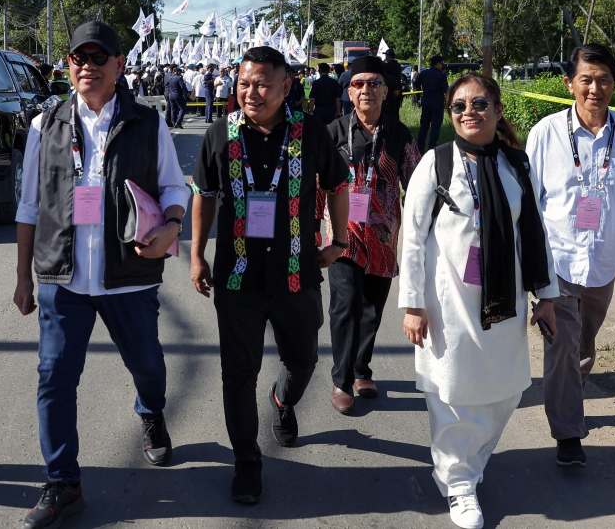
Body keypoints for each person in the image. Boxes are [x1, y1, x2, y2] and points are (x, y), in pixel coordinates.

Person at [13, 21, 190, 529]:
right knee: (54, 379)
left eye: (99, 57)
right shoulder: (43, 125)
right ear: (68, 65)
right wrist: (23, 277)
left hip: (129, 277)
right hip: (62, 279)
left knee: (150, 366)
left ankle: (150, 412)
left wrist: (173, 223)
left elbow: (176, 189)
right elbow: (29, 206)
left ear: (119, 65)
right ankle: (63, 482)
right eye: (78, 58)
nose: (87, 66)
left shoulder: (146, 121)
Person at [189, 46, 350, 505]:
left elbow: (338, 184)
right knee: (237, 375)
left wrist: (338, 240)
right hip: (236, 279)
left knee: (302, 361)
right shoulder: (220, 133)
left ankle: (283, 399)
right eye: (244, 83)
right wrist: (197, 255)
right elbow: (205, 194)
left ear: (285, 87)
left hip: (297, 274)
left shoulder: (311, 132)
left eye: (262, 83)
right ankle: (247, 463)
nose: (251, 92)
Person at [398, 72, 559, 529]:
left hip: (503, 299)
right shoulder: (437, 161)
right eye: (460, 107)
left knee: (505, 388)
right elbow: (412, 237)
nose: (470, 112)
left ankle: (469, 463)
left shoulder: (516, 163)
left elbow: (533, 230)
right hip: (447, 300)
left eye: (480, 104)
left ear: (498, 109)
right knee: (451, 390)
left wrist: (545, 295)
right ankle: (459, 481)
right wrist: (412, 302)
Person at [525, 43, 615, 468]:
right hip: (557, 263)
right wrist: (526, 264)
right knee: (563, 344)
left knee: (584, 346)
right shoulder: (546, 133)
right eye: (586, 79)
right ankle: (568, 433)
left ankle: (566, 396)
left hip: (603, 264)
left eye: (603, 79)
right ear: (570, 84)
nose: (595, 88)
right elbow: (529, 202)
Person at [317, 56, 421, 414]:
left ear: (386, 90)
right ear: (350, 91)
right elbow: (317, 185)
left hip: (384, 239)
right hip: (342, 238)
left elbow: (418, 183)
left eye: (374, 83)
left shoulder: (400, 134)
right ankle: (342, 380)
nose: (367, 90)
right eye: (359, 84)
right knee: (345, 306)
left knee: (372, 310)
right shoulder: (333, 131)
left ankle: (362, 370)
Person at [416, 55, 448, 152]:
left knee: (424, 126)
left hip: (426, 103)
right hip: (437, 104)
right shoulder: (442, 75)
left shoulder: (424, 73)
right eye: (441, 63)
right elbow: (445, 91)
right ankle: (432, 147)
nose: (442, 65)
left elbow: (415, 85)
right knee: (435, 127)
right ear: (438, 63)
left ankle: (420, 147)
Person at [382, 48, 405, 121]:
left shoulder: (387, 65)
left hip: (390, 89)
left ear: (388, 56)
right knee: (396, 110)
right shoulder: (398, 65)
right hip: (398, 88)